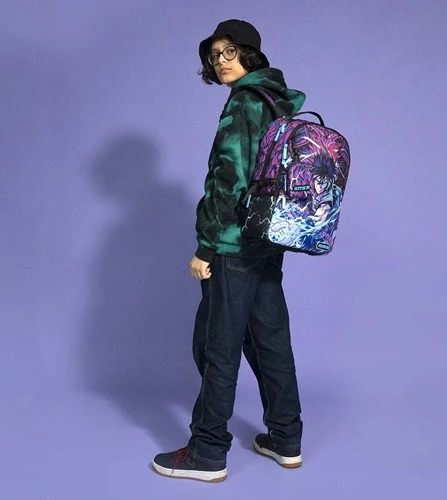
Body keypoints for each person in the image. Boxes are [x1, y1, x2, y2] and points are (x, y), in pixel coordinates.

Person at [152, 19, 306, 483]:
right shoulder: (275, 100)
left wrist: (206, 247)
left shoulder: (243, 102)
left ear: (249, 53)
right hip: (268, 240)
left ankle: (207, 452)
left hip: (234, 243)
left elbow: (230, 181)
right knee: (270, 340)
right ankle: (286, 439)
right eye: (214, 55)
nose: (220, 62)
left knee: (217, 345)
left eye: (229, 52)